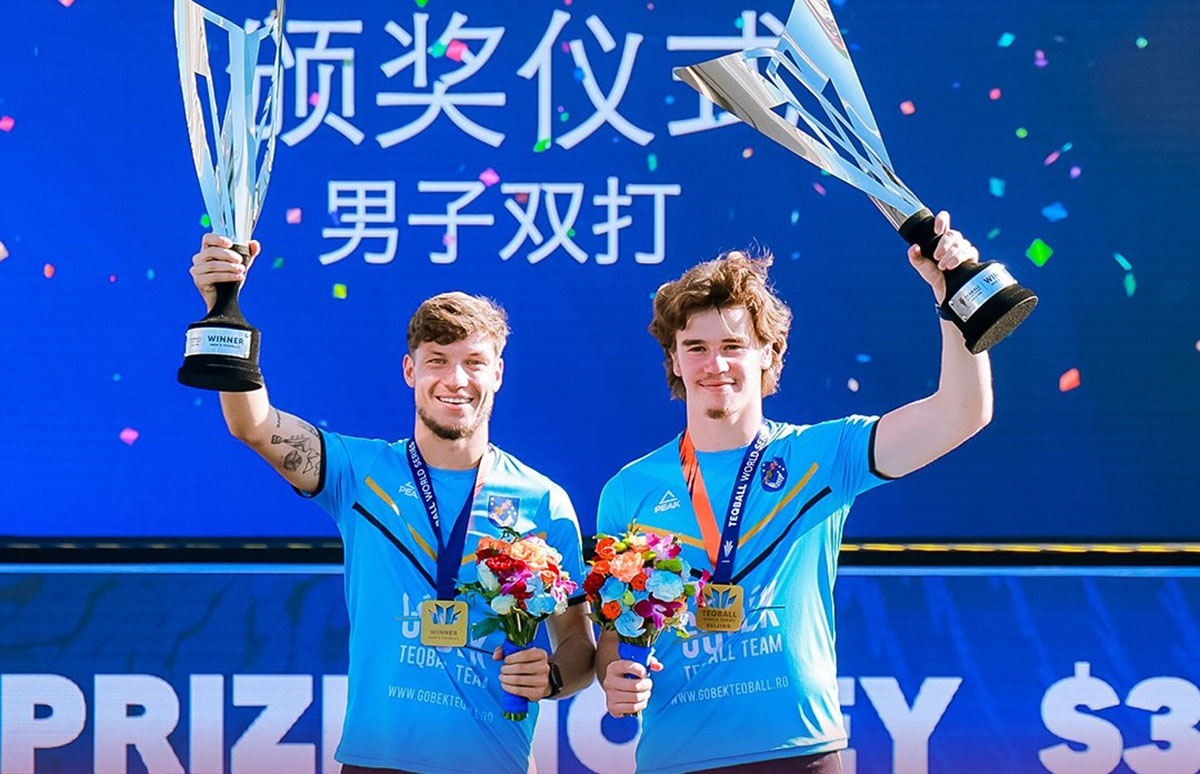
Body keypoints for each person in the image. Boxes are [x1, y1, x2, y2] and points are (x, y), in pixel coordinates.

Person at [594, 213, 991, 773]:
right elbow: (614, 633)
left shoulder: (824, 456)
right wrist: (613, 675)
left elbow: (961, 413)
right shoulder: (628, 491)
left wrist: (954, 302)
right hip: (675, 758)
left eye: (734, 345)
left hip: (800, 753)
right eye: (696, 347)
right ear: (675, 360)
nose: (715, 364)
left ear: (768, 353)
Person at [190, 233, 595, 774]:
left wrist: (551, 678)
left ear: (498, 373)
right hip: (375, 761)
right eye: (437, 361)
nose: (456, 380)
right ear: (410, 371)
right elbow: (253, 425)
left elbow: (578, 643)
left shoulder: (543, 501)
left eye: (475, 362)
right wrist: (223, 307)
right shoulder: (359, 472)